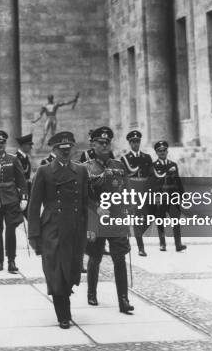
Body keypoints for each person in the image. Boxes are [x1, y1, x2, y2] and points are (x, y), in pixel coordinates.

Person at [28, 131, 89, 329]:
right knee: (55, 271)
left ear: (73, 149)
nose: (65, 152)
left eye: (68, 149)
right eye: (61, 150)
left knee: (71, 270)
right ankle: (63, 313)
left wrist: (88, 230)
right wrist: (34, 234)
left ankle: (65, 301)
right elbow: (34, 206)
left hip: (74, 228)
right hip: (52, 228)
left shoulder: (81, 171)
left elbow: (84, 203)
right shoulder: (44, 171)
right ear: (54, 150)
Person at [83, 126, 134, 314]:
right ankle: (91, 292)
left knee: (119, 258)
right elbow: (83, 196)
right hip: (96, 220)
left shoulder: (119, 166)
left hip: (117, 219)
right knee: (95, 257)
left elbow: (127, 190)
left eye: (107, 142)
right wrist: (96, 207)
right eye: (100, 143)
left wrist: (130, 208)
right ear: (93, 144)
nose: (104, 146)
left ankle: (123, 299)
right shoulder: (86, 168)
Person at [0, 130, 28, 273]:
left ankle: (11, 261)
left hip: (11, 198)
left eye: (2, 143)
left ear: (5, 144)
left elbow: (21, 180)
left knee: (11, 230)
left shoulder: (13, 159)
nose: (0, 145)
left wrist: (24, 198)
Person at [120, 130, 153, 256]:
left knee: (149, 218)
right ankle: (141, 247)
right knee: (137, 219)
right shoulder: (124, 159)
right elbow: (122, 179)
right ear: (129, 143)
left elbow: (151, 176)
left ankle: (138, 235)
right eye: (133, 142)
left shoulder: (147, 157)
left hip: (145, 191)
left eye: (137, 141)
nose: (135, 144)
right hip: (132, 191)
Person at [150, 141, 187, 252]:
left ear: (167, 151)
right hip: (160, 198)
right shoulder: (153, 166)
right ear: (156, 152)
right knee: (160, 220)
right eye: (159, 151)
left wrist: (182, 194)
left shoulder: (173, 165)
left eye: (164, 150)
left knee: (176, 220)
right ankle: (162, 244)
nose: (162, 153)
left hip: (173, 198)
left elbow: (178, 180)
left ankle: (178, 244)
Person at [15, 133, 33, 218]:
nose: (31, 147)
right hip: (20, 190)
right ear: (23, 145)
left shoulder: (25, 157)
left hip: (27, 188)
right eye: (29, 145)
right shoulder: (16, 158)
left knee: (29, 213)